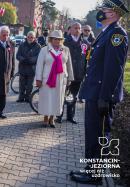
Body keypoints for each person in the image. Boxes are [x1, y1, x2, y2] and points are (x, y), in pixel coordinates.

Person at [71, 0, 129, 184]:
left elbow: (113, 69)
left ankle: (95, 176)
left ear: (113, 13)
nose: (101, 12)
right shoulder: (106, 33)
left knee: (99, 135)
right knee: (92, 134)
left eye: (104, 9)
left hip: (101, 95)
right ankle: (90, 170)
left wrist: (106, 97)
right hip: (94, 92)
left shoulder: (117, 35)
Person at [34, 30, 74, 127]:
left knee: (57, 99)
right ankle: (45, 118)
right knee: (47, 99)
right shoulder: (44, 50)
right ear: (51, 39)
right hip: (47, 79)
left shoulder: (65, 50)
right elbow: (39, 65)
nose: (57, 41)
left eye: (59, 39)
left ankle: (52, 118)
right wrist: (38, 79)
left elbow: (69, 65)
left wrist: (70, 78)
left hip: (60, 80)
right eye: (55, 39)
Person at [56, 22, 89, 124]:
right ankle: (59, 116)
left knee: (72, 96)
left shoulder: (85, 44)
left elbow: (87, 60)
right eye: (75, 28)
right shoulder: (64, 42)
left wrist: (85, 72)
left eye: (79, 28)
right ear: (70, 30)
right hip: (66, 74)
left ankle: (70, 116)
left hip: (78, 75)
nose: (78, 30)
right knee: (62, 95)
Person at [16, 31, 41, 102]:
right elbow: (18, 55)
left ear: (34, 38)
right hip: (22, 67)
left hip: (31, 68)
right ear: (26, 37)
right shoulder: (22, 45)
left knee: (30, 85)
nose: (30, 38)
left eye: (32, 37)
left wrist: (30, 60)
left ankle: (28, 97)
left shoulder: (37, 46)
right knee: (21, 84)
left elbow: (38, 57)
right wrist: (22, 59)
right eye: (28, 37)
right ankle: (21, 97)